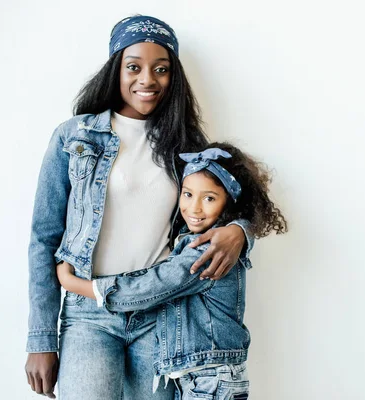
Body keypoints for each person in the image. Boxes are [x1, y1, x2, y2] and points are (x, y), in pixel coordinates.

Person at [25, 16, 252, 399]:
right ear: (116, 69)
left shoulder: (187, 144)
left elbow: (229, 203)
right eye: (134, 67)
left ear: (173, 77)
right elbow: (42, 237)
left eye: (161, 70)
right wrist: (40, 339)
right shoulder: (75, 136)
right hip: (88, 315)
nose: (147, 79)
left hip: (162, 313)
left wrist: (240, 231)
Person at [56, 143, 288, 399]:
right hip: (202, 379)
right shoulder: (194, 240)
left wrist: (72, 283)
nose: (195, 208)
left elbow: (152, 285)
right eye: (187, 194)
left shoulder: (206, 250)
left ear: (230, 202)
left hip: (209, 381)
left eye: (209, 198)